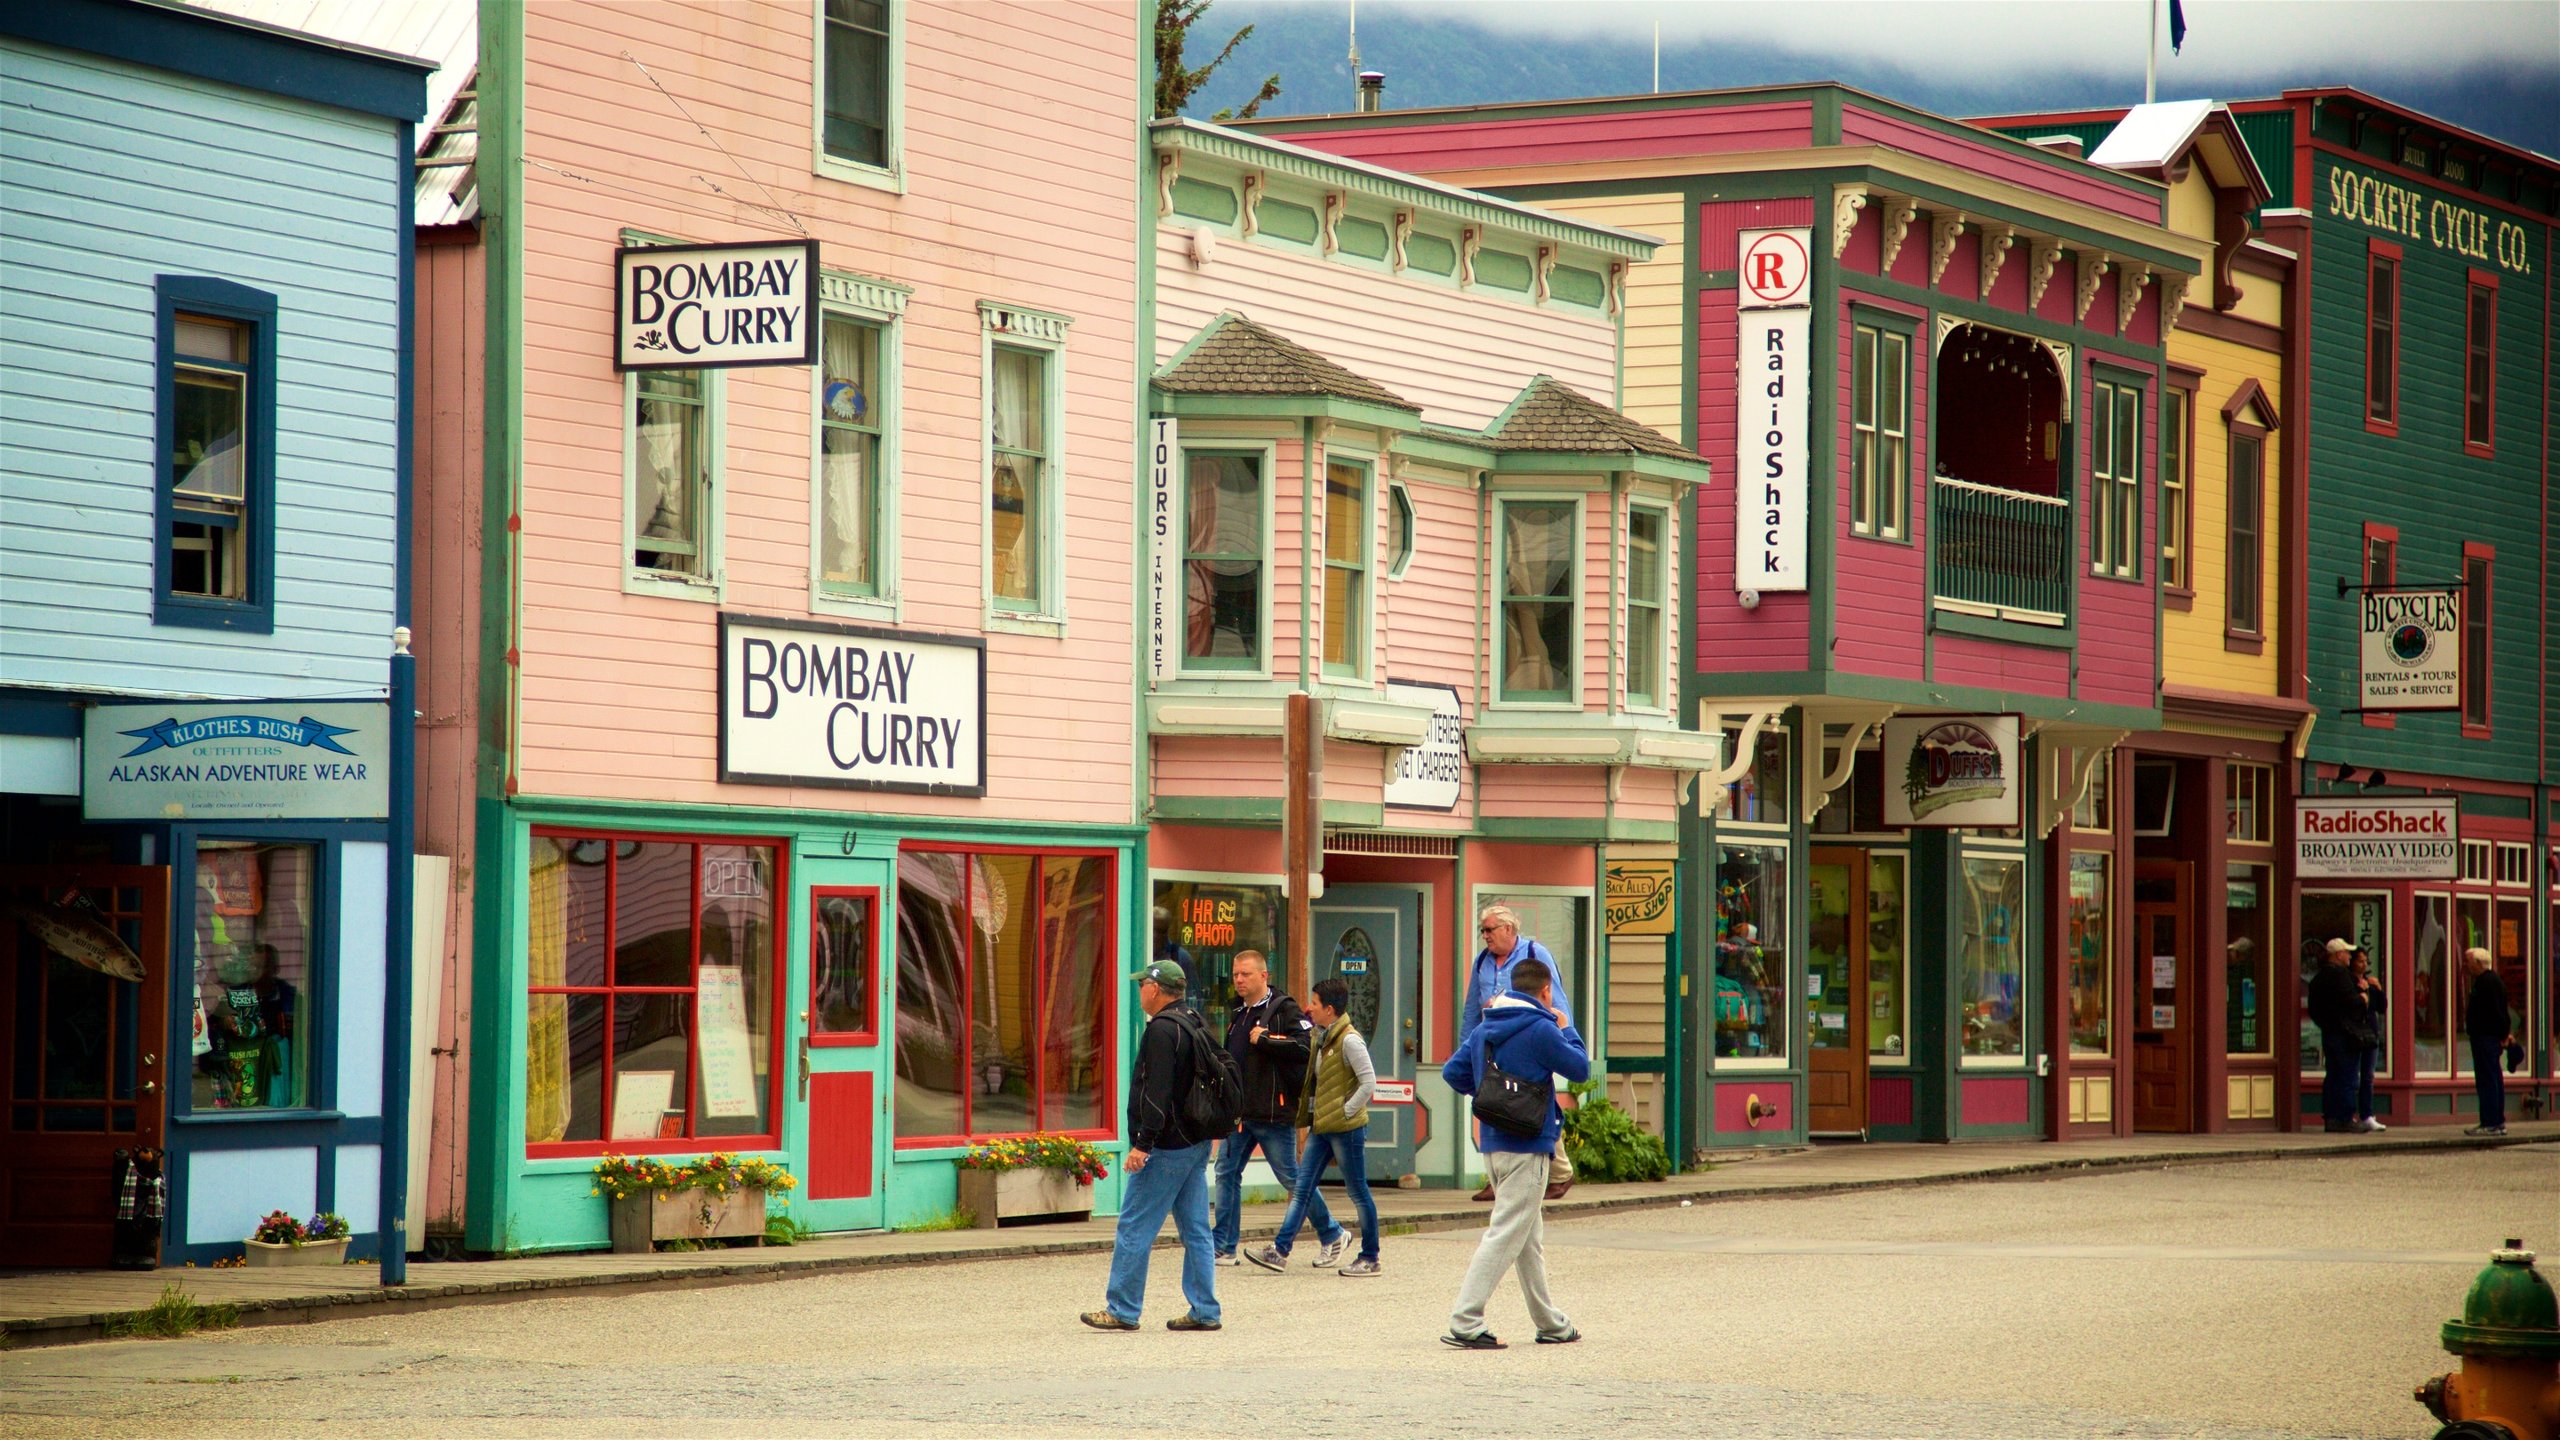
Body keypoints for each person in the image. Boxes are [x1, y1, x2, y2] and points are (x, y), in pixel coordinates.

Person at [1439, 957, 1588, 1350]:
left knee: (1527, 1239)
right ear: (1545, 991)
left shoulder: (1487, 1026)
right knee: (1506, 1233)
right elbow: (1580, 1068)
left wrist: (1493, 1097)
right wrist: (1566, 1025)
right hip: (1528, 1145)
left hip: (1492, 1143)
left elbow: (1453, 1073)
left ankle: (1550, 1323)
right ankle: (1465, 1320)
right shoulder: (1541, 1029)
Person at [1083, 960, 1221, 1333]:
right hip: (1195, 1141)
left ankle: (1122, 1308)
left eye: (1143, 983)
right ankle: (1205, 1309)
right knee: (1196, 1229)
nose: (1140, 989)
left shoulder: (1161, 1030)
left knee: (1134, 1226)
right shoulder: (1194, 1021)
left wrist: (1143, 1144)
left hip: (1166, 1147)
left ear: (1156, 989)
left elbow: (1156, 1093)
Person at [1244, 977, 1382, 1277]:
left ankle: (1370, 1257)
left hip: (1346, 1129)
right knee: (1303, 1188)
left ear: (1329, 1009)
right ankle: (1279, 1251)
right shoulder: (1322, 1037)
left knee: (1358, 1192)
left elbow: (1369, 1081)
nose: (1310, 1007)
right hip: (1322, 1127)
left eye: (1315, 1003)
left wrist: (1345, 1111)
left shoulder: (1349, 1040)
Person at [1210, 950, 1335, 1266]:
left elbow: (1307, 1047)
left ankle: (1332, 1233)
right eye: (1236, 974)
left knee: (1291, 1178)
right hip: (1239, 1112)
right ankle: (1224, 1247)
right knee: (1226, 1173)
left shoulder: (1284, 1008)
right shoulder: (1239, 1011)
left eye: (1246, 974)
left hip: (1272, 1112)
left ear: (1264, 976)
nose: (1239, 979)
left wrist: (1267, 1040)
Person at [1460, 906, 1575, 1202]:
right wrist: (1465, 1047)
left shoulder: (1535, 954)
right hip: (1494, 1043)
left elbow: (1555, 998)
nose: (1485, 936)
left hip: (1530, 1040)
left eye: (1490, 930)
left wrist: (1561, 1039)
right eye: (1482, 930)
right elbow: (1473, 1008)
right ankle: (1496, 1176)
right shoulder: (1482, 962)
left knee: (1530, 1102)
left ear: (1509, 929)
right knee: (1493, 1099)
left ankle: (1561, 1172)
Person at [2304, 939, 2361, 1133]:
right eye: (2347, 952)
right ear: (2337, 955)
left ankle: (2331, 1117)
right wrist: (2363, 997)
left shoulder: (2318, 978)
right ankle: (2345, 1117)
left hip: (2330, 1032)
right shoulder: (2340, 976)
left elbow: (2314, 1009)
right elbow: (2352, 1002)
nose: (2350, 956)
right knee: (2347, 1076)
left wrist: (2326, 1024)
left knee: (2333, 1075)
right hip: (2345, 1034)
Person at [2462, 947, 2513, 1137]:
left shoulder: (2487, 983)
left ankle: (2491, 1121)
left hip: (2486, 1037)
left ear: (2478, 963)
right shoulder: (2488, 981)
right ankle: (2494, 1121)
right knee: (2491, 1078)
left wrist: (2502, 1034)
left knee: (2488, 1079)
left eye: (2469, 962)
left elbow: (2497, 1012)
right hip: (2487, 1037)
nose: (2467, 966)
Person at [2350, 948, 2389, 1133]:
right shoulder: (2349, 981)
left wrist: (2378, 989)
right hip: (2355, 1035)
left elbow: (2381, 1007)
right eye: (2360, 961)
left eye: (2366, 961)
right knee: (2352, 1076)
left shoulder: (2369, 982)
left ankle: (2367, 1115)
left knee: (2368, 1076)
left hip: (2370, 1035)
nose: (2364, 965)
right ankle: (2350, 1115)